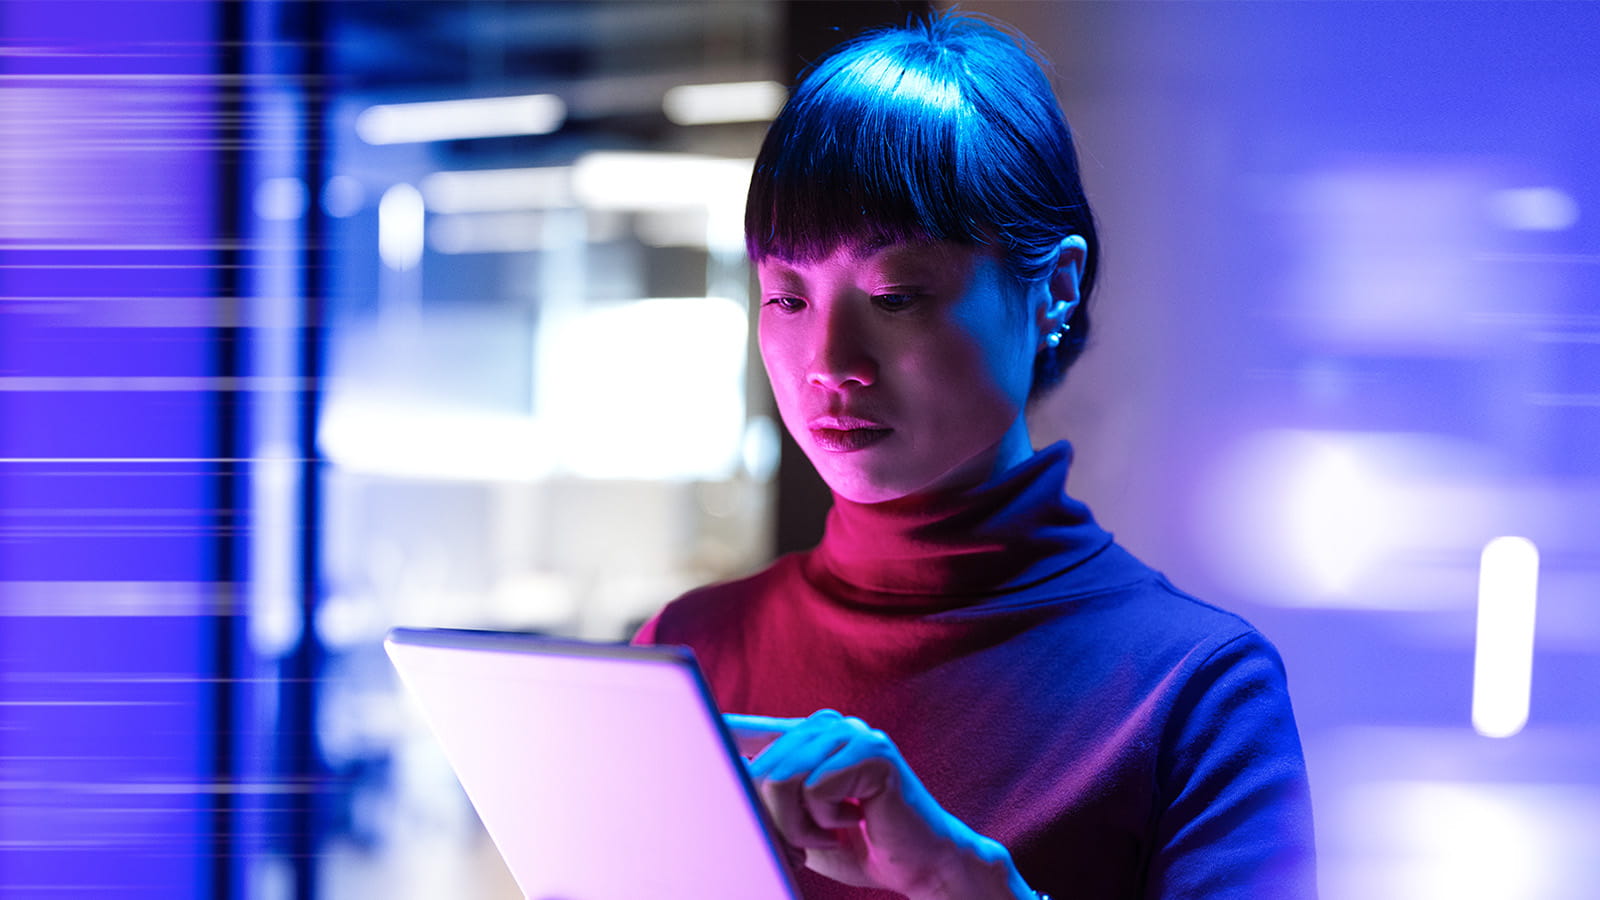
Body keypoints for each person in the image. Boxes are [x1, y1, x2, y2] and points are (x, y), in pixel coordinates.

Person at [635, 13, 1315, 900]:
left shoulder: (1193, 693)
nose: (830, 364)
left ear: (1055, 290)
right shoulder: (688, 653)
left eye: (896, 294)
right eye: (787, 297)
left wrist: (966, 881)